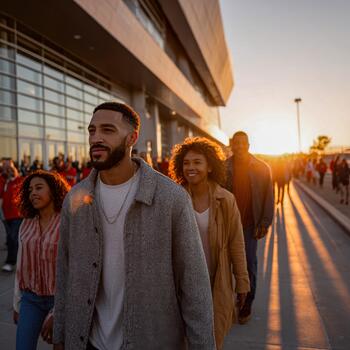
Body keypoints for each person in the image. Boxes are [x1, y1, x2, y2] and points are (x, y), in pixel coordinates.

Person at [53, 102, 215, 350]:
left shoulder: (170, 198)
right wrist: (61, 337)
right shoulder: (75, 199)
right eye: (92, 130)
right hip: (89, 342)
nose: (96, 138)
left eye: (107, 130)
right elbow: (65, 273)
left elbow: (194, 286)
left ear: (132, 138)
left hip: (151, 340)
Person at [169, 137, 250, 349]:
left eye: (197, 162)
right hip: (182, 282)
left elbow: (237, 244)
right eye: (186, 163)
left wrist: (242, 283)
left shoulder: (226, 200)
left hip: (217, 280)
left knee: (213, 338)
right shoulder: (174, 199)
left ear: (210, 167)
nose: (190, 167)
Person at [13, 170, 70, 350]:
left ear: (53, 190)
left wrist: (58, 311)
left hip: (59, 299)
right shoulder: (27, 222)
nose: (33, 193)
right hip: (31, 299)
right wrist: (17, 304)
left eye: (39, 188)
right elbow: (21, 264)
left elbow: (73, 268)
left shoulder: (67, 222)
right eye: (30, 190)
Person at [225, 131, 274, 324]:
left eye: (242, 143)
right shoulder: (223, 167)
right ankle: (234, 297)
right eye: (235, 143)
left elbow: (268, 198)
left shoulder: (262, 168)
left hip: (249, 226)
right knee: (225, 265)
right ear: (231, 144)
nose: (239, 146)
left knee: (249, 265)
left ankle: (247, 303)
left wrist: (264, 223)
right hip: (227, 224)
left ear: (248, 144)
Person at [0, 159, 23, 272]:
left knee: (13, 237)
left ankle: (10, 262)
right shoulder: (2, 180)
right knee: (10, 238)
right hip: (5, 215)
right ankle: (20, 259)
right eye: (5, 167)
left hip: (17, 214)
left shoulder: (19, 180)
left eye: (10, 167)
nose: (8, 170)